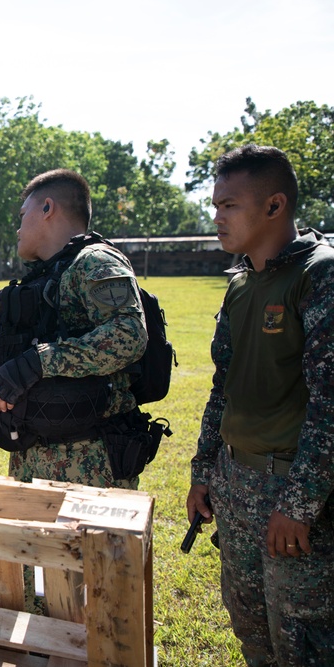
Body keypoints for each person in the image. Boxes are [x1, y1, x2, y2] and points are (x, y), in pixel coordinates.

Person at [187, 145, 334, 666]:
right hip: (236, 483)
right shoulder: (241, 284)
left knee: (304, 642)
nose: (217, 217)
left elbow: (330, 404)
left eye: (229, 205)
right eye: (216, 204)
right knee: (253, 631)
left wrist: (298, 506)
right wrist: (204, 471)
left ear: (274, 206)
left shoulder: (320, 275)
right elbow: (222, 387)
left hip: (293, 493)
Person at [0, 169, 148, 490]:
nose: (17, 228)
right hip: (34, 457)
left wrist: (37, 362)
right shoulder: (46, 276)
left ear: (47, 208)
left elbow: (129, 335)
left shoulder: (95, 261)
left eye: (22, 214)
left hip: (90, 466)